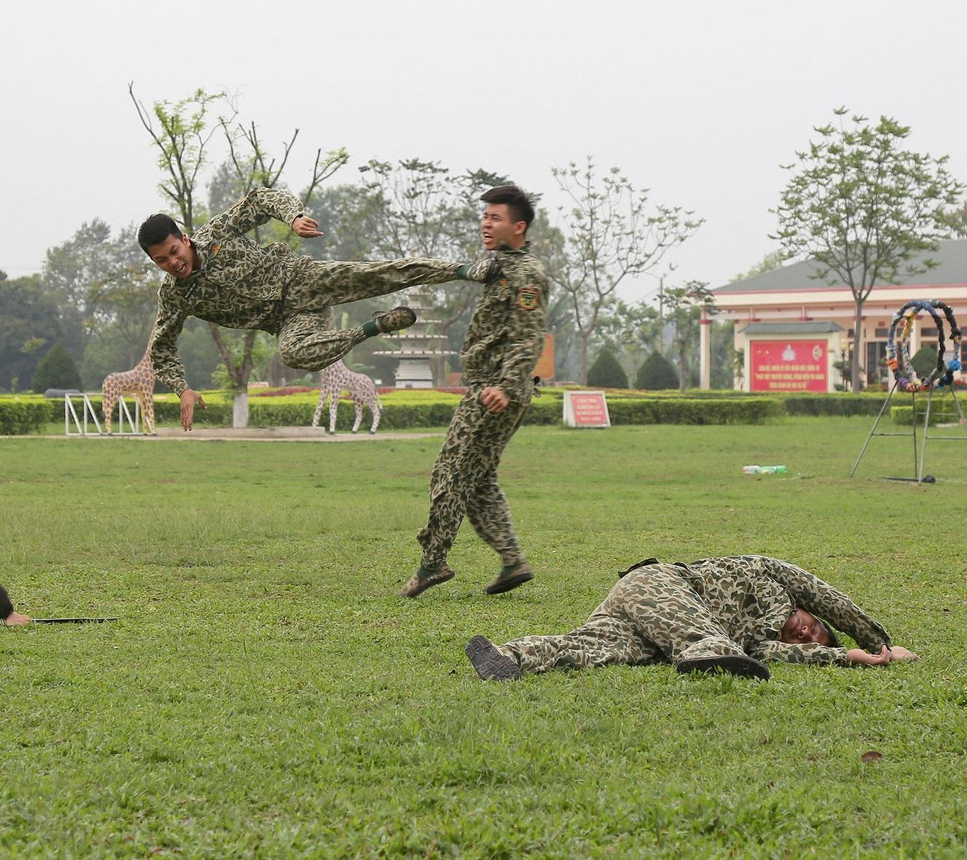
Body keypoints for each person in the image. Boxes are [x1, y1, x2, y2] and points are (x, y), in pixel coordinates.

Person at [139, 186, 504, 430]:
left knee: (383, 274)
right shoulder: (175, 296)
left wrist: (293, 217)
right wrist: (181, 388)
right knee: (293, 353)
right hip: (290, 320)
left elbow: (257, 201)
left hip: (303, 279)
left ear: (184, 239)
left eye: (174, 252)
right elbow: (162, 347)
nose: (173, 263)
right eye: (161, 261)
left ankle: (462, 270)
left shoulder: (216, 233)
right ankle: (371, 328)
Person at [400, 185, 550, 598]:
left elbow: (529, 337)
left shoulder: (526, 274)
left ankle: (432, 562)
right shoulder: (500, 265)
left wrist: (504, 383)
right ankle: (511, 560)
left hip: (495, 390)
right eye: (485, 216)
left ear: (518, 227)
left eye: (496, 217)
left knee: (450, 472)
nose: (486, 223)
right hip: (496, 387)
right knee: (478, 477)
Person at [464, 555, 919, 682]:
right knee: (710, 638)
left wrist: (853, 658)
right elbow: (833, 599)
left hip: (648, 622)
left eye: (811, 639)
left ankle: (510, 657)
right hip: (660, 585)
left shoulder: (762, 646)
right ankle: (708, 653)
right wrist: (877, 639)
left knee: (596, 648)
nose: (806, 632)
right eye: (814, 625)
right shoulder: (772, 573)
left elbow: (797, 657)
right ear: (810, 611)